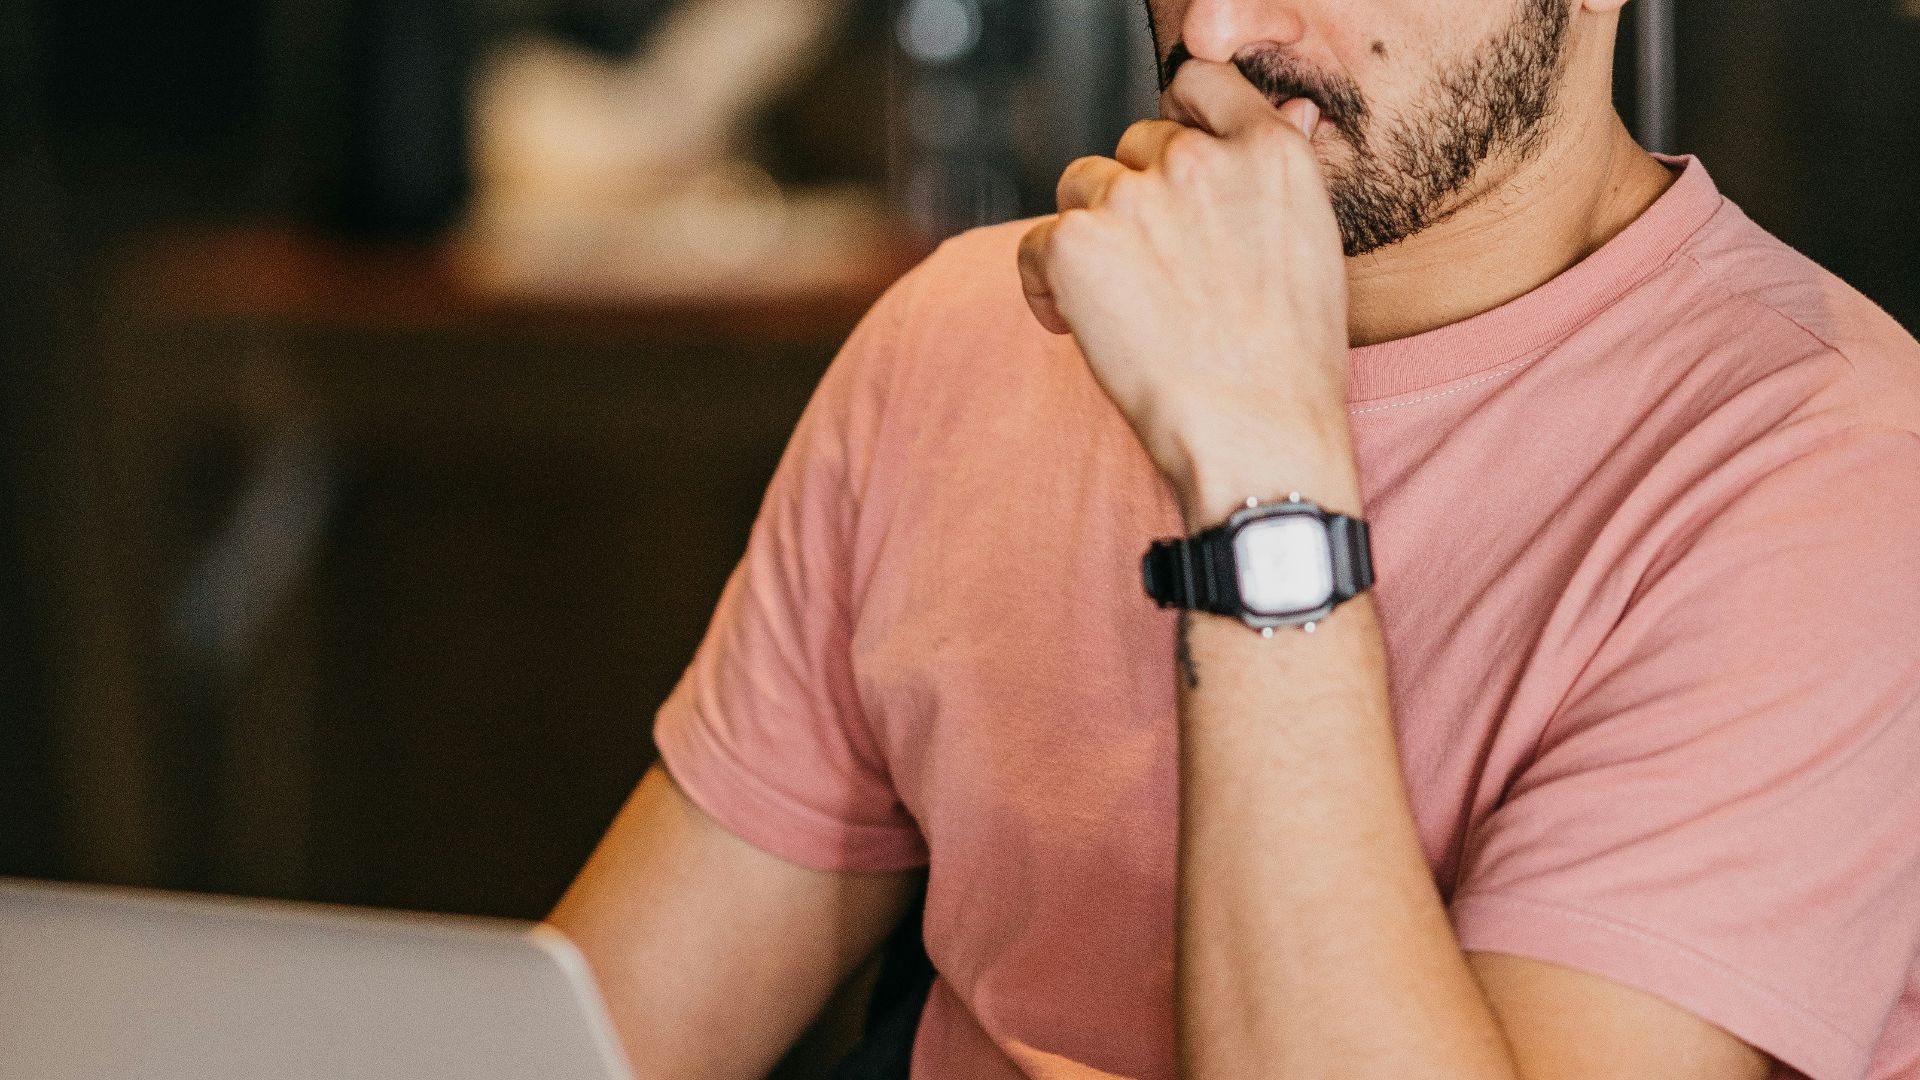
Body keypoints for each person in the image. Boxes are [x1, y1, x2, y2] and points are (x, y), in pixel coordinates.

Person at [545, 0, 1920, 1076]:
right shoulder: (962, 337)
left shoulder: (1832, 472)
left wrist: (1257, 467)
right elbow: (610, 1036)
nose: (1212, 32)